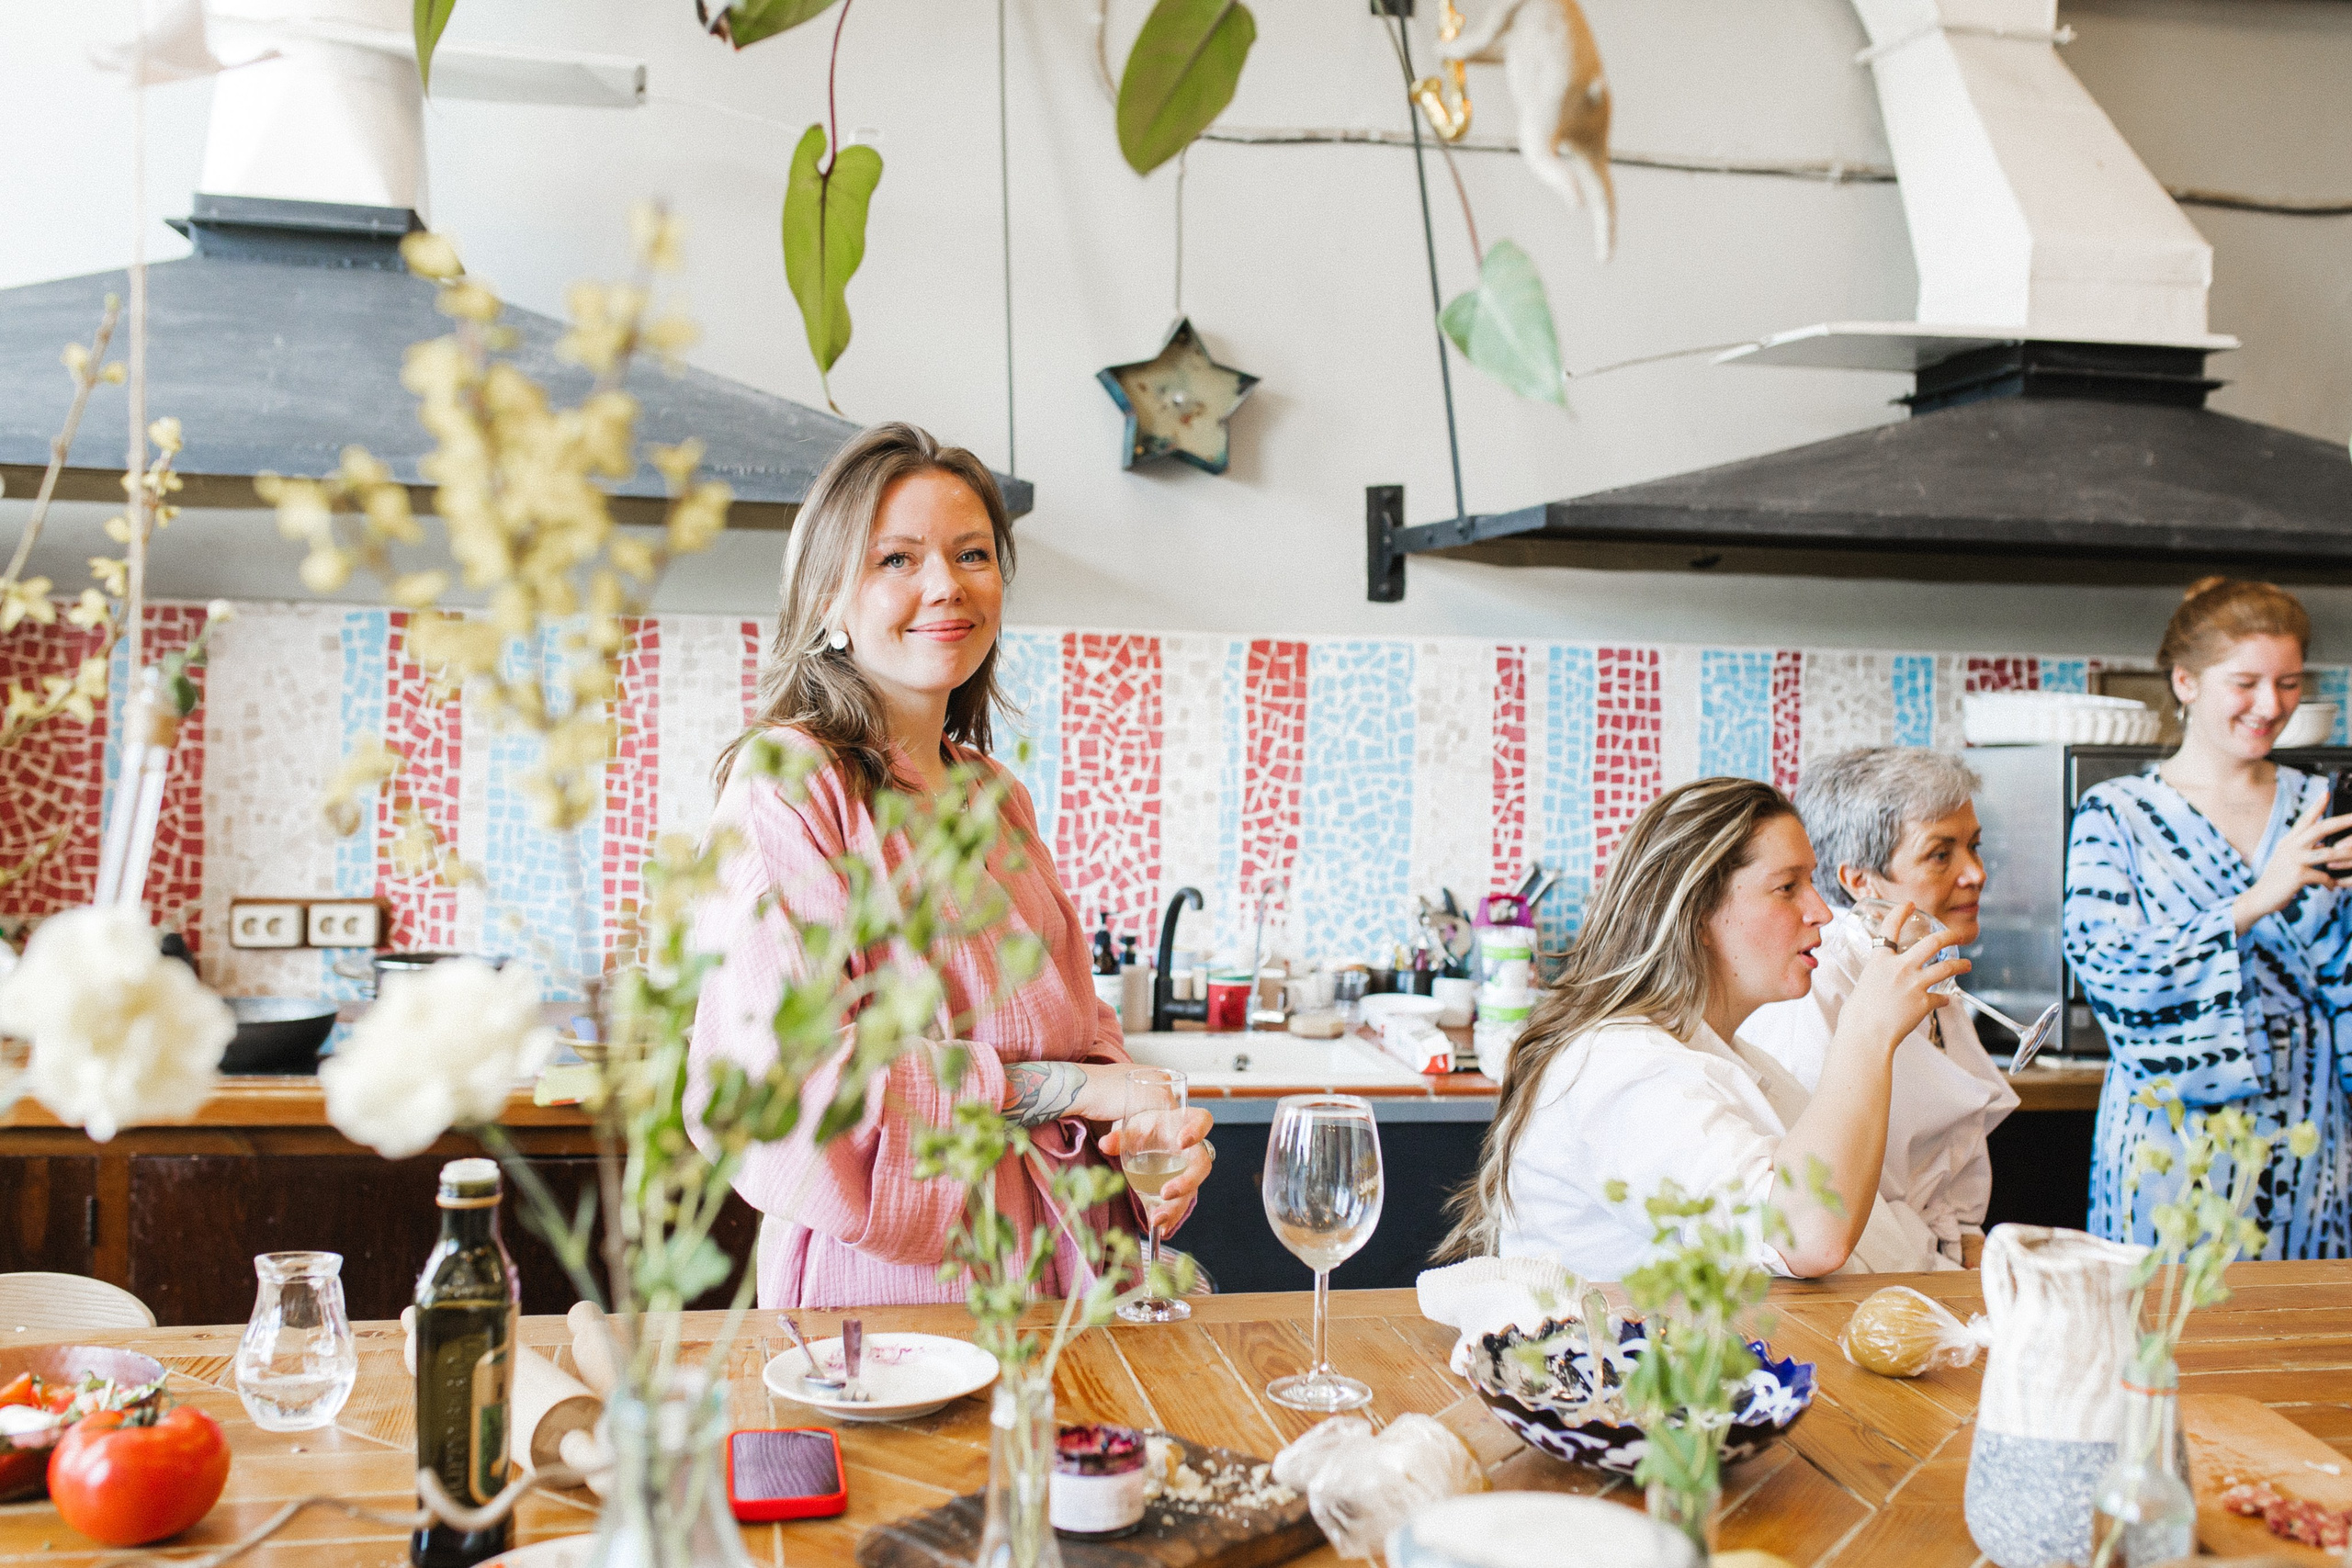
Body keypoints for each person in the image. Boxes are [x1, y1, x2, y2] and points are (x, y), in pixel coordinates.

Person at [687, 423, 1213, 1308]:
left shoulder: (996, 796)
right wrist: (1073, 1089)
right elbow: (792, 1083)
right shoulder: (790, 783)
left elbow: (1079, 1026)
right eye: (897, 558)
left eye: (973, 554)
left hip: (1069, 1282)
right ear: (827, 600)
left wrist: (1140, 1140)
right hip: (900, 1296)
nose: (946, 585)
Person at [1440, 776, 1965, 1280]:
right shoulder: (1619, 1068)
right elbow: (1806, 1238)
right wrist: (1867, 1030)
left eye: (1812, 882)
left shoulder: (1736, 1058)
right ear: (1697, 914)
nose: (1822, 912)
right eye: (1787, 887)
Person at [2065, 577, 2352, 1256]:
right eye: (2245, 682)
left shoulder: (2321, 804)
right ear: (2186, 681)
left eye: (2288, 683)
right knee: (2169, 1311)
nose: (2270, 705)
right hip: (2172, 1130)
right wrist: (2253, 901)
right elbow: (2108, 967)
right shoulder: (2118, 814)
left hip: (2311, 1124)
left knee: (2305, 1318)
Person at [1745, 749, 2018, 1269]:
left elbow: (1948, 1178)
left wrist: (1971, 1249)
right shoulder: (1816, 983)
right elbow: (1814, 1204)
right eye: (1941, 854)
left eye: (1974, 847)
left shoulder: (1923, 964)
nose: (1976, 873)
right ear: (1859, 882)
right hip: (1858, 1278)